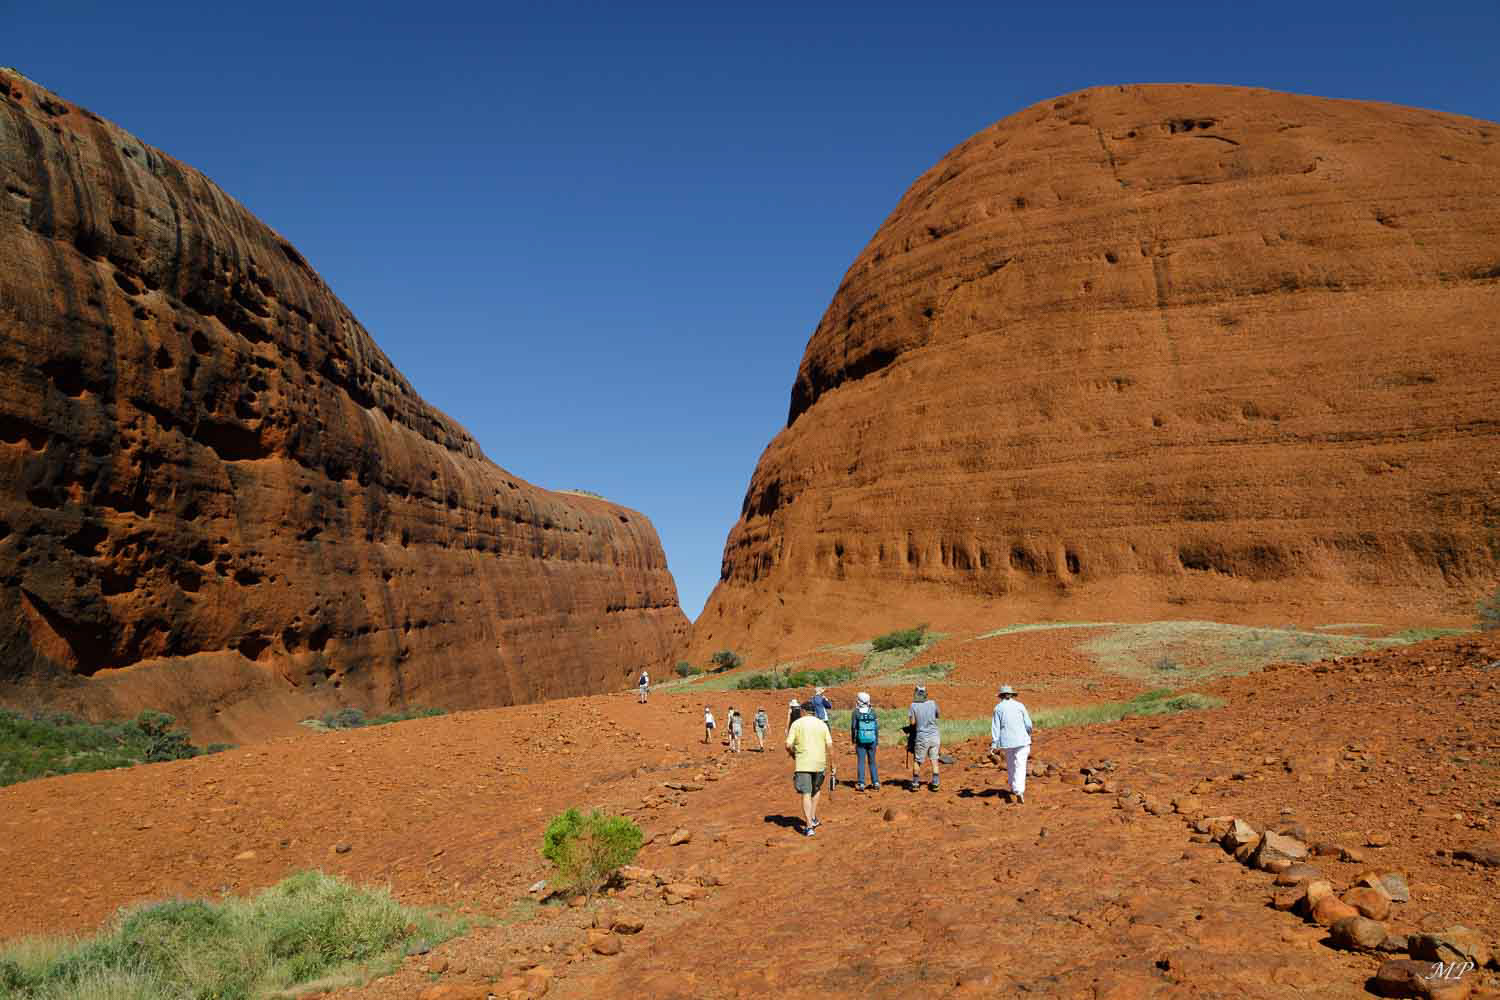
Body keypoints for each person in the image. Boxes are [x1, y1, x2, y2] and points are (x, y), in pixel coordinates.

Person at [785, 699, 833, 837]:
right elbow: (830, 746)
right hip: (819, 763)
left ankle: (809, 826)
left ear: (803, 711)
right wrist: (833, 764)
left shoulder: (797, 724)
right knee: (816, 789)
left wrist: (793, 754)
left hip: (803, 763)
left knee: (806, 793)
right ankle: (812, 818)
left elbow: (788, 745)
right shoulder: (822, 724)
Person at [988, 684, 1034, 804]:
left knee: (1011, 765)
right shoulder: (1020, 705)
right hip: (1022, 740)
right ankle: (1019, 790)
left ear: (1001, 696)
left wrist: (994, 744)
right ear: (1012, 695)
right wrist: (1028, 733)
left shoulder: (998, 708)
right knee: (1020, 765)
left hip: (1007, 741)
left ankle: (1014, 788)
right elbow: (1028, 724)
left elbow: (995, 728)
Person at [908, 685, 941, 792]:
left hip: (922, 737)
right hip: (935, 736)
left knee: (917, 760)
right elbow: (938, 716)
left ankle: (915, 783)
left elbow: (912, 723)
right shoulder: (933, 703)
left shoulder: (913, 705)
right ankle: (935, 782)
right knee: (934, 759)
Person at [849, 691, 880, 791]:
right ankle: (875, 782)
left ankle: (861, 783)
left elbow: (853, 728)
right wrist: (877, 741)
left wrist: (853, 740)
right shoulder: (873, 712)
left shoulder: (856, 713)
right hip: (872, 740)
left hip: (860, 741)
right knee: (872, 762)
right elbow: (876, 728)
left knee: (861, 762)